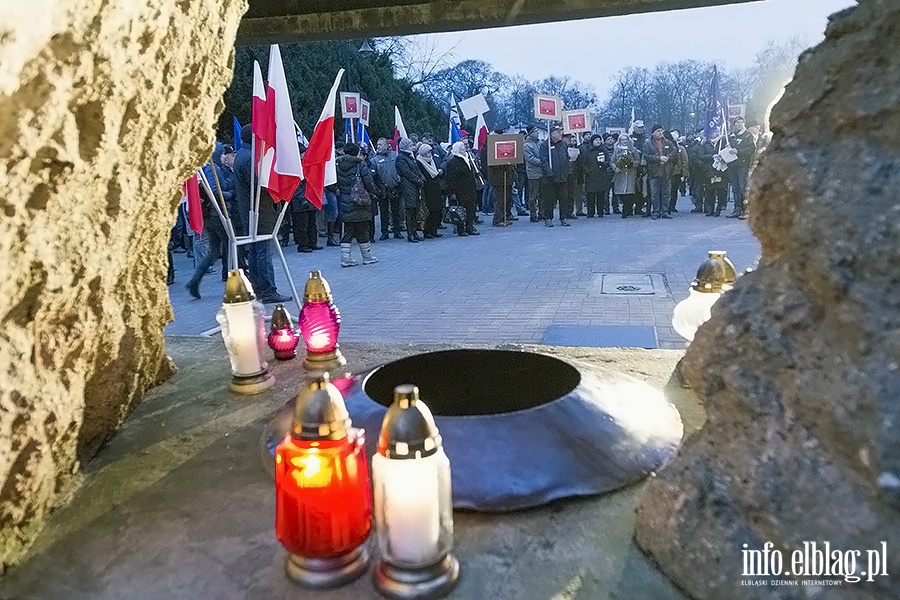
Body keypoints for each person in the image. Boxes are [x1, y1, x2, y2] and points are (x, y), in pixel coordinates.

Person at [231, 126, 291, 303]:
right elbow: (262, 186)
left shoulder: (243, 155)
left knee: (257, 250)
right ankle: (267, 290)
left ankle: (259, 287)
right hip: (259, 210)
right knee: (262, 250)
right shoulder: (249, 158)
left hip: (252, 210)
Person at [336, 143, 379, 266]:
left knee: (348, 230)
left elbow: (333, 183)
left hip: (345, 202)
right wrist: (373, 193)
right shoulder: (361, 165)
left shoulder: (337, 166)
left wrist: (338, 191)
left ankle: (345, 258)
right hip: (360, 202)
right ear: (357, 153)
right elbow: (369, 183)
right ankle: (367, 256)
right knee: (363, 230)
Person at [444, 141, 480, 236]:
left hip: (470, 189)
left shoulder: (467, 159)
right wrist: (452, 192)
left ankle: (469, 226)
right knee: (460, 210)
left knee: (471, 208)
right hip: (460, 191)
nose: (464, 150)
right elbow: (450, 179)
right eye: (462, 148)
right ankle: (461, 229)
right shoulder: (453, 162)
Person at [642, 124, 678, 220]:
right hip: (654, 172)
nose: (660, 133)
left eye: (661, 131)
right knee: (655, 194)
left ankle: (665, 211)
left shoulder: (668, 142)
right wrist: (658, 158)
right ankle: (656, 212)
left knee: (666, 193)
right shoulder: (648, 143)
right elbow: (646, 155)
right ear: (653, 133)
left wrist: (668, 158)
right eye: (658, 131)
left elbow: (675, 151)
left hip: (666, 171)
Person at [370, 138, 403, 240]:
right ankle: (384, 232)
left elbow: (400, 168)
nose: (378, 147)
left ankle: (397, 231)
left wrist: (399, 179)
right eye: (377, 145)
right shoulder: (374, 160)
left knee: (396, 210)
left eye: (380, 145)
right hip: (383, 189)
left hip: (395, 187)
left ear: (386, 145)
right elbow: (373, 177)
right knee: (384, 212)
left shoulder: (395, 155)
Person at [538, 125, 571, 227]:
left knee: (564, 198)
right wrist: (549, 173)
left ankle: (563, 218)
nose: (561, 134)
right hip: (550, 178)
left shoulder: (563, 145)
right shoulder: (545, 145)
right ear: (552, 134)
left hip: (562, 177)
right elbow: (543, 161)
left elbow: (566, 157)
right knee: (549, 199)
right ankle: (548, 218)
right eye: (558, 132)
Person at [726, 116, 757, 219]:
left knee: (742, 187)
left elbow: (751, 149)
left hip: (742, 165)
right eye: (737, 123)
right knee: (735, 188)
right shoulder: (731, 136)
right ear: (734, 124)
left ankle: (745, 209)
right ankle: (737, 208)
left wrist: (738, 151)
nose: (739, 124)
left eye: (741, 122)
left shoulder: (747, 135)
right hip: (732, 164)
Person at [395, 138, 424, 243]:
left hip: (414, 185)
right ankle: (410, 234)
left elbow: (415, 169)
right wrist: (417, 180)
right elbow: (406, 172)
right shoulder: (401, 158)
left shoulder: (410, 157)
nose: (413, 146)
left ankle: (415, 232)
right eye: (411, 145)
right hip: (408, 186)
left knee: (415, 209)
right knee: (410, 209)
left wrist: (420, 179)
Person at [416, 144, 444, 238]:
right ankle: (427, 231)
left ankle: (434, 230)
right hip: (427, 190)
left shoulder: (432, 161)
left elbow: (434, 172)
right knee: (429, 211)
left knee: (437, 210)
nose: (430, 154)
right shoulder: (419, 162)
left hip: (435, 189)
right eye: (428, 152)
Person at [582, 134, 613, 218]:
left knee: (601, 194)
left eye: (599, 140)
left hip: (601, 174)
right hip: (591, 175)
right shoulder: (587, 151)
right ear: (592, 141)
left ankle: (600, 212)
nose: (598, 142)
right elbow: (583, 163)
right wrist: (587, 171)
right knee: (590, 195)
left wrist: (604, 164)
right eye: (596, 140)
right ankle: (590, 212)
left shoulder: (603, 150)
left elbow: (608, 160)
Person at [612, 133, 640, 218]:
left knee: (630, 192)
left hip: (631, 173)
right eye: (623, 140)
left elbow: (637, 160)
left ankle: (626, 210)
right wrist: (616, 168)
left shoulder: (633, 149)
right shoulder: (617, 150)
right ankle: (626, 207)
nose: (624, 141)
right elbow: (612, 161)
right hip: (620, 174)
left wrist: (633, 163)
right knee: (621, 193)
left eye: (626, 139)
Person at [523, 127, 544, 222]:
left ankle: (542, 213)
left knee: (542, 194)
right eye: (535, 132)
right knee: (533, 195)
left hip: (542, 172)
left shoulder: (539, 143)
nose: (537, 133)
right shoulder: (527, 145)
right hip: (533, 172)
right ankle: (533, 214)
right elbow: (530, 158)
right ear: (530, 133)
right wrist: (542, 162)